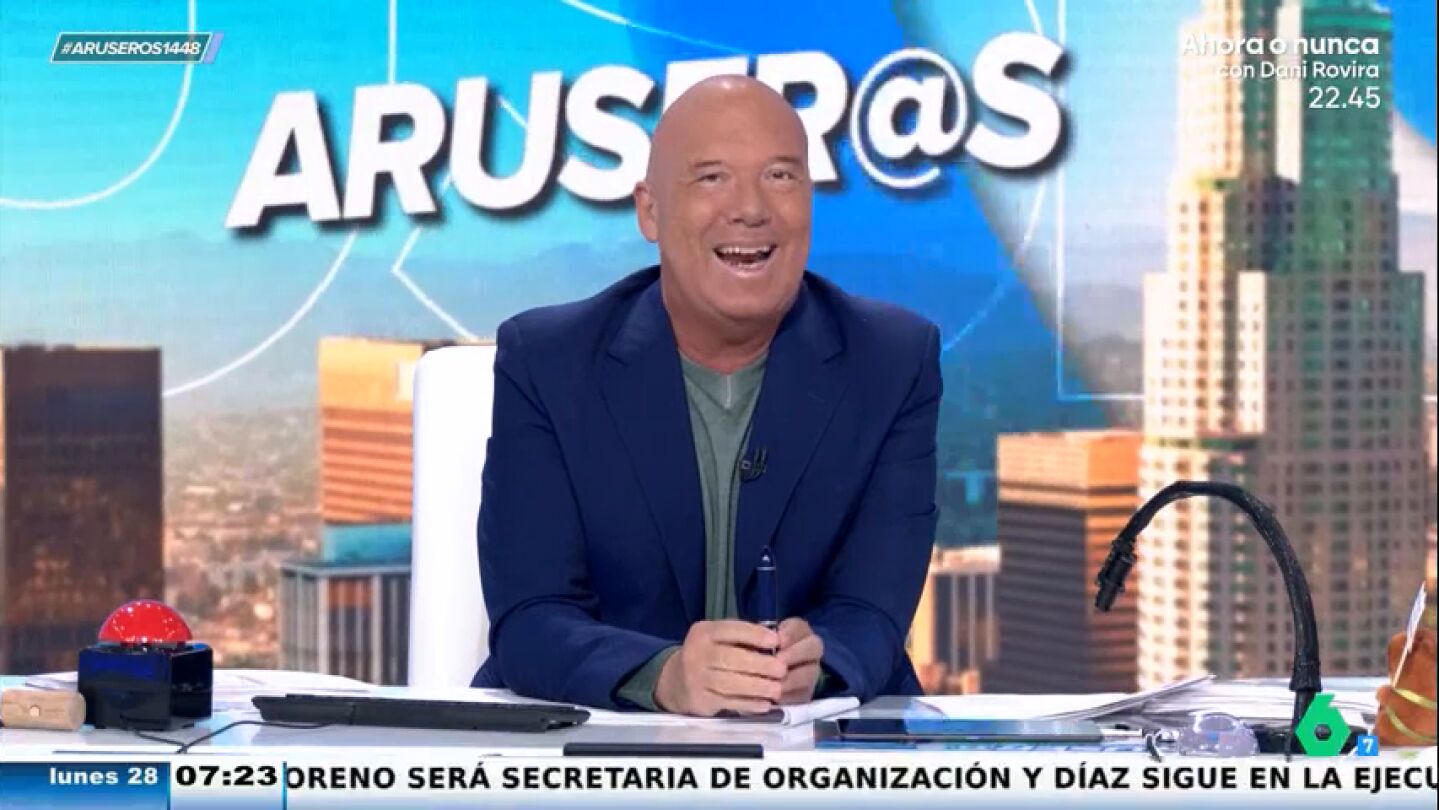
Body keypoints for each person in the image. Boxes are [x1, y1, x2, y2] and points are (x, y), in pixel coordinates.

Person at [472, 75, 940, 716]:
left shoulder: (892, 360)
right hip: (603, 740)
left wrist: (819, 665)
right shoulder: (548, 362)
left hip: (812, 745)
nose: (750, 208)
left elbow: (874, 612)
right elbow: (531, 617)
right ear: (649, 211)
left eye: (780, 176)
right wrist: (663, 676)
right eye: (712, 177)